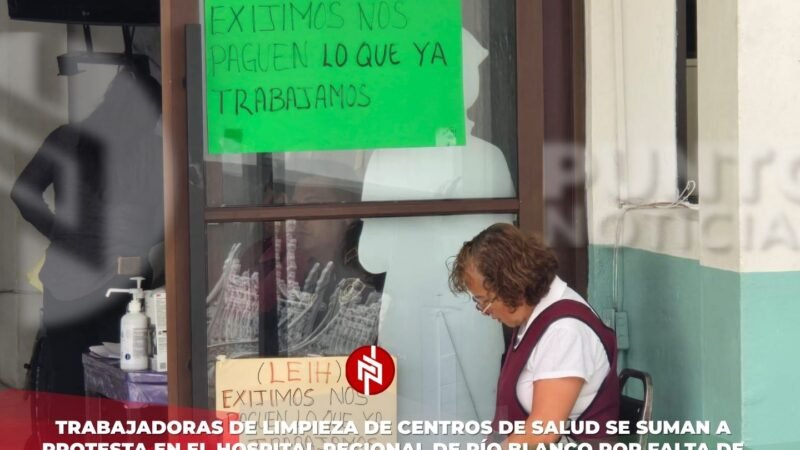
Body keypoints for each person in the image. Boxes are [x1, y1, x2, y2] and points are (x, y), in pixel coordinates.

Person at [11, 67, 163, 396]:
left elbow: (23, 193)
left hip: (66, 279)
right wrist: (140, 240)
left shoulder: (67, 138)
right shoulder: (154, 151)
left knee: (67, 376)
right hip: (126, 280)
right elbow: (172, 218)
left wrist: (59, 233)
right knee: (123, 380)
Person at [448, 223, 620, 446]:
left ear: (512, 287)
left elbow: (543, 432)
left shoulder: (565, 331)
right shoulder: (533, 319)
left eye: (485, 301)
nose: (484, 312)